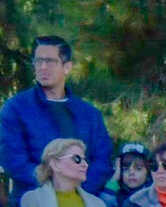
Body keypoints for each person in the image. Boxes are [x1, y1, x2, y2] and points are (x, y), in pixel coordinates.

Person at [1, 36, 114, 196]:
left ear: (67, 67)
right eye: (38, 61)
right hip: (34, 201)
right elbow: (13, 160)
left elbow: (102, 161)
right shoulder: (16, 108)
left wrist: (78, 191)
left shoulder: (89, 115)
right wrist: (54, 188)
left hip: (84, 199)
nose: (43, 67)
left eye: (50, 61)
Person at [105, 142, 151, 207]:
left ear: (147, 172)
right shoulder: (117, 196)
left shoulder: (153, 195)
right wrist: (115, 176)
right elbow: (104, 204)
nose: (131, 173)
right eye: (125, 169)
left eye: (138, 169)